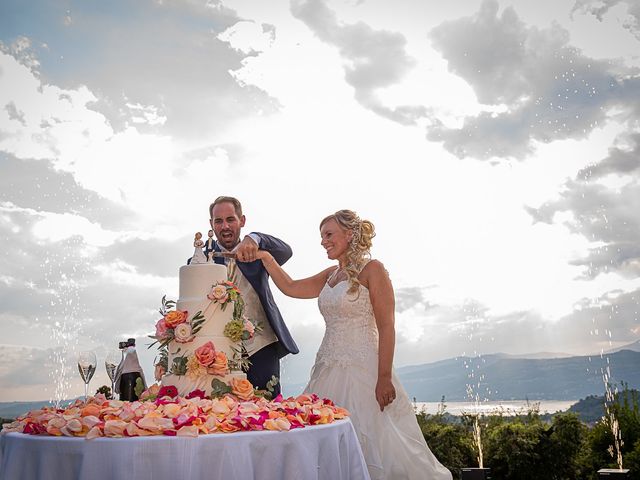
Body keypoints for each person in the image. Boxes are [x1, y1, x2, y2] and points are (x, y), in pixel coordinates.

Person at [256, 210, 452, 480]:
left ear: (349, 234)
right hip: (327, 367)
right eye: (321, 236)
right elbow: (291, 287)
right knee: (322, 437)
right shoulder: (330, 275)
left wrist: (384, 377)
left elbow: (386, 325)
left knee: (373, 442)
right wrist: (266, 258)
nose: (324, 241)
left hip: (364, 371)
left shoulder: (373, 270)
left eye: (329, 234)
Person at [208, 196, 298, 396]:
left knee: (268, 412)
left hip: (261, 346)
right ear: (211, 224)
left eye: (230, 219)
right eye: (218, 221)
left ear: (242, 220)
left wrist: (255, 237)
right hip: (218, 352)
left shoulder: (257, 251)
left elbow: (286, 251)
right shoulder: (201, 258)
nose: (225, 226)